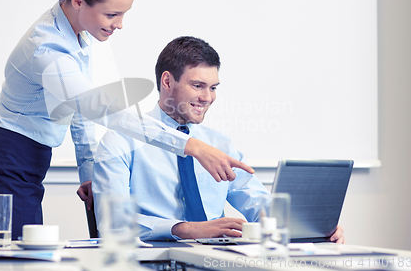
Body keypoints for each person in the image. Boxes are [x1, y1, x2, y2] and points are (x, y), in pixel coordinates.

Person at [0, 0, 253, 241]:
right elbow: (104, 111)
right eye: (112, 14)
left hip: (27, 158)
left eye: (124, 13)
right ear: (78, 1)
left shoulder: (78, 32)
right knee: (9, 258)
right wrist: (191, 145)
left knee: (23, 256)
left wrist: (87, 172)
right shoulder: (48, 50)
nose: (119, 24)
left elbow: (75, 110)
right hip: (6, 158)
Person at [92, 36, 345, 243]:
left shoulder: (219, 144)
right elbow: (114, 224)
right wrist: (187, 229)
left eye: (213, 88)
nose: (207, 98)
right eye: (198, 86)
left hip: (217, 259)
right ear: (167, 81)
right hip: (152, 261)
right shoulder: (120, 141)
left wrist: (307, 227)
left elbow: (254, 200)